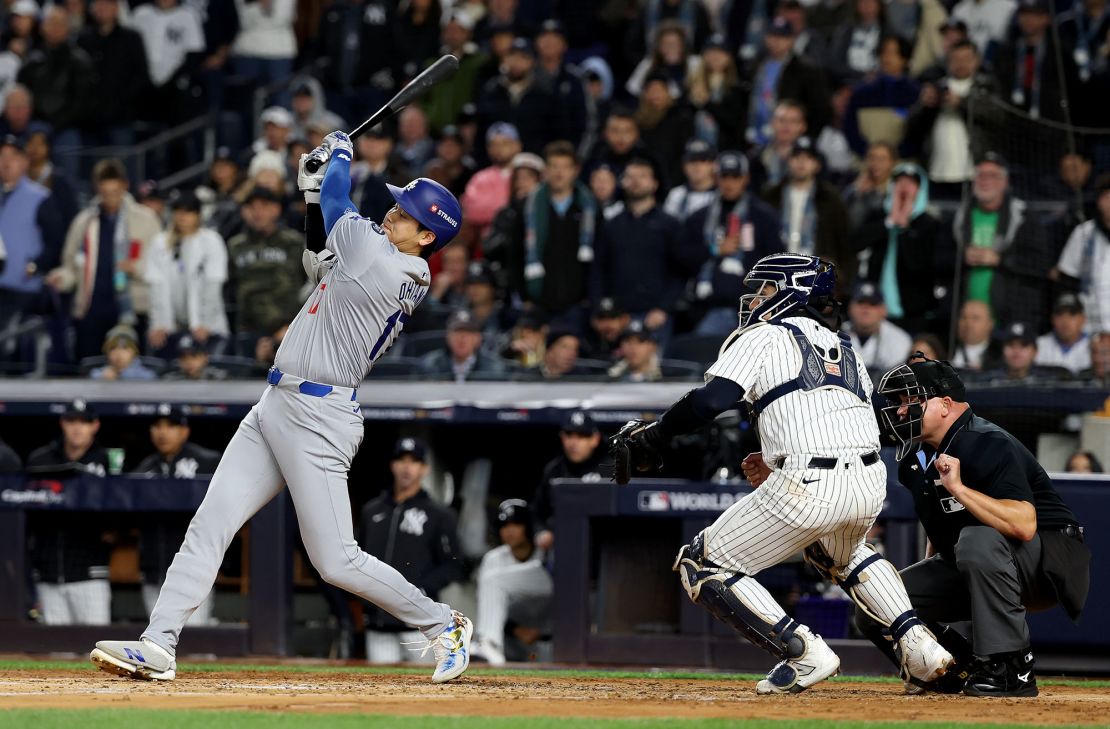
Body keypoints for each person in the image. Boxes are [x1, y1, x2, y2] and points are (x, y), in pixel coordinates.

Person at [89, 131, 474, 685]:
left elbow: (344, 209)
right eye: (394, 205)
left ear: (427, 236)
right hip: (278, 401)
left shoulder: (392, 268)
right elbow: (323, 246)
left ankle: (443, 624)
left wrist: (339, 155)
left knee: (336, 560)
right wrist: (313, 195)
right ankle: (159, 643)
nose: (392, 213)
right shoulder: (377, 256)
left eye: (406, 213)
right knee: (210, 523)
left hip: (321, 417)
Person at [613, 253, 954, 694]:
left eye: (767, 289)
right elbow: (838, 416)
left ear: (796, 292)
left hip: (810, 485)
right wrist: (773, 456)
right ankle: (922, 648)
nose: (756, 298)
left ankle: (803, 651)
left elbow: (710, 401)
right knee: (842, 555)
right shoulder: (843, 344)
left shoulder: (765, 334)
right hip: (869, 482)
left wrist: (657, 435)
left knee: (703, 563)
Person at [869, 356, 1090, 696]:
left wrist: (959, 489)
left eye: (910, 400)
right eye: (898, 403)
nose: (900, 411)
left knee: (976, 540)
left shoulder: (987, 440)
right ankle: (952, 667)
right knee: (878, 601)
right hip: (986, 560)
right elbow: (941, 531)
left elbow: (1024, 523)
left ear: (945, 404)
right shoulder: (916, 459)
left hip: (1048, 558)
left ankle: (1012, 665)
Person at [360, 438, 465, 664]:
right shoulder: (372, 511)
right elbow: (356, 558)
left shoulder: (439, 514)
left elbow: (454, 564)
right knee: (378, 692)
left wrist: (422, 589)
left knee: (427, 693)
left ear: (424, 468)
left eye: (414, 461)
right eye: (401, 460)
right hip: (379, 623)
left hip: (419, 626)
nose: (407, 467)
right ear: (392, 465)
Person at [48, 158, 161, 361]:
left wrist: (135, 267)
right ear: (96, 188)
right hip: (92, 307)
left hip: (132, 308)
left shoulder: (146, 219)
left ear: (125, 186)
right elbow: (71, 266)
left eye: (115, 192)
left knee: (132, 371)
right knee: (89, 366)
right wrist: (61, 279)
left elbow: (160, 264)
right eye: (105, 193)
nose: (110, 198)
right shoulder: (83, 221)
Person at [25, 399, 112, 626]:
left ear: (95, 425)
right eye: (72, 421)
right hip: (47, 572)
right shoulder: (40, 460)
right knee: (54, 653)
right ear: (63, 423)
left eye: (84, 422)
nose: (77, 427)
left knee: (97, 648)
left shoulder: (108, 462)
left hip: (90, 572)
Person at [134, 404, 221, 626]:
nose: (163, 432)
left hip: (194, 567)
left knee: (195, 642)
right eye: (158, 426)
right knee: (155, 639)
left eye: (171, 426)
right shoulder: (144, 468)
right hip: (153, 566)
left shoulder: (207, 461)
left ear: (184, 430)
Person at [681, 150, 781, 336]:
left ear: (746, 178)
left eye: (735, 176)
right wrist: (714, 250)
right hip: (706, 306)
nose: (729, 183)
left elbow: (777, 261)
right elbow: (683, 258)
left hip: (751, 310)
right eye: (724, 176)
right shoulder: (699, 218)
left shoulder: (764, 217)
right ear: (716, 178)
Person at [953, 153, 1053, 332]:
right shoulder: (959, 217)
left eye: (992, 175)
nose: (984, 180)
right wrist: (962, 256)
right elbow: (937, 258)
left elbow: (1040, 265)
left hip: (1010, 319)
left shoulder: (1025, 218)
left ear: (1004, 182)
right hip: (965, 320)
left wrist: (1000, 259)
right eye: (980, 175)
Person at [591, 158, 686, 343]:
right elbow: (599, 270)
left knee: (655, 370)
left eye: (642, 176)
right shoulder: (612, 225)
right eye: (630, 176)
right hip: (616, 317)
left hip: (655, 316)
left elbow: (680, 271)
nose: (635, 181)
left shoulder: (669, 225)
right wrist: (600, 310)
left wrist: (663, 308)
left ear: (654, 183)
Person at [511, 140, 596, 329]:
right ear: (545, 170)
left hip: (577, 304)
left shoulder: (590, 208)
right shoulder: (527, 207)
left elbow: (600, 257)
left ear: (576, 170)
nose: (559, 173)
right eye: (554, 166)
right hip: (537, 302)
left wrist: (589, 298)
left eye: (565, 167)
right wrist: (524, 296)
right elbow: (515, 253)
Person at [854, 163, 945, 335]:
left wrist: (903, 230)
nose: (904, 187)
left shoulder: (929, 224)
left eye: (911, 183)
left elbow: (918, 265)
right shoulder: (879, 216)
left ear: (920, 189)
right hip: (875, 307)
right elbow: (855, 243)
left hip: (913, 311)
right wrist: (889, 223)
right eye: (899, 182)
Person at [144, 191, 230, 358]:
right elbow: (156, 287)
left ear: (198, 215)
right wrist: (159, 324)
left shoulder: (212, 241)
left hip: (206, 329)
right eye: (178, 211)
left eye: (188, 212)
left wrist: (205, 324)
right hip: (170, 329)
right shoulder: (160, 243)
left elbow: (213, 285)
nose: (182, 217)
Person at [760, 138, 852, 286]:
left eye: (808, 158)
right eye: (797, 157)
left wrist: (839, 283)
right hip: (777, 277)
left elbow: (842, 242)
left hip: (815, 278)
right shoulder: (772, 196)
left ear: (817, 165)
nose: (802, 163)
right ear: (789, 161)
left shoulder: (831, 200)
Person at [472, 499, 553, 666]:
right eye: (504, 525)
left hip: (550, 639)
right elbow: (486, 606)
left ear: (528, 527)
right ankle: (489, 645)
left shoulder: (547, 555)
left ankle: (489, 645)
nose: (509, 531)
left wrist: (545, 631)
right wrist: (516, 630)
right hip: (511, 640)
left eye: (516, 524)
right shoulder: (493, 559)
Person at [226, 187, 305, 354]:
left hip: (288, 329)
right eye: (252, 208)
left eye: (263, 206)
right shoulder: (235, 246)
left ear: (276, 209)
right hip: (248, 330)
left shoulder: (294, 242)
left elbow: (308, 284)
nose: (257, 213)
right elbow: (231, 287)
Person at [532, 410, 610, 550]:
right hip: (561, 545)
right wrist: (541, 532)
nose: (574, 442)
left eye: (582, 436)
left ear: (595, 439)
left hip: (603, 546)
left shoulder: (611, 469)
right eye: (569, 435)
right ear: (562, 437)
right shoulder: (554, 470)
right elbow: (538, 512)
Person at [1053, 173, 1110, 336]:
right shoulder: (1084, 233)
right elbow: (1066, 279)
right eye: (1107, 197)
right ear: (1099, 201)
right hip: (1090, 327)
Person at [417, 309, 507, 381]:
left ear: (478, 338)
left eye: (468, 332)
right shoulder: (429, 365)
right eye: (457, 331)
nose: (462, 337)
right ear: (448, 337)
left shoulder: (493, 369)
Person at [843, 282, 914, 372]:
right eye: (860, 302)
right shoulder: (836, 333)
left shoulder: (899, 339)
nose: (866, 309)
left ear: (883, 310)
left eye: (872, 304)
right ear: (850, 308)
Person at [982, 322, 1066, 383]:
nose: (1016, 351)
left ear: (1035, 351)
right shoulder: (987, 382)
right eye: (1011, 345)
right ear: (1003, 350)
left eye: (1024, 345)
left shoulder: (1048, 383)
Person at [663, 139, 717, 224]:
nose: (697, 165)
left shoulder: (722, 194)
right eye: (692, 160)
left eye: (702, 160)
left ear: (713, 165)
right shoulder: (676, 195)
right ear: (684, 166)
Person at [1034, 293, 1091, 375]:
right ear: (1052, 319)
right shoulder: (1038, 345)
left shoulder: (1095, 347)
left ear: (1083, 319)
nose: (1065, 321)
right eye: (1060, 314)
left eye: (1072, 314)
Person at [90, 324, 157, 381]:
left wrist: (120, 375)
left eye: (124, 348)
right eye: (113, 348)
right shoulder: (101, 373)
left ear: (134, 351)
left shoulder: (146, 376)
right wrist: (103, 377)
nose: (118, 352)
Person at [162, 335, 227, 381]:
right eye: (184, 358)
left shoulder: (219, 379)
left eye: (194, 356)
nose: (189, 362)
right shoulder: (171, 380)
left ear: (205, 358)